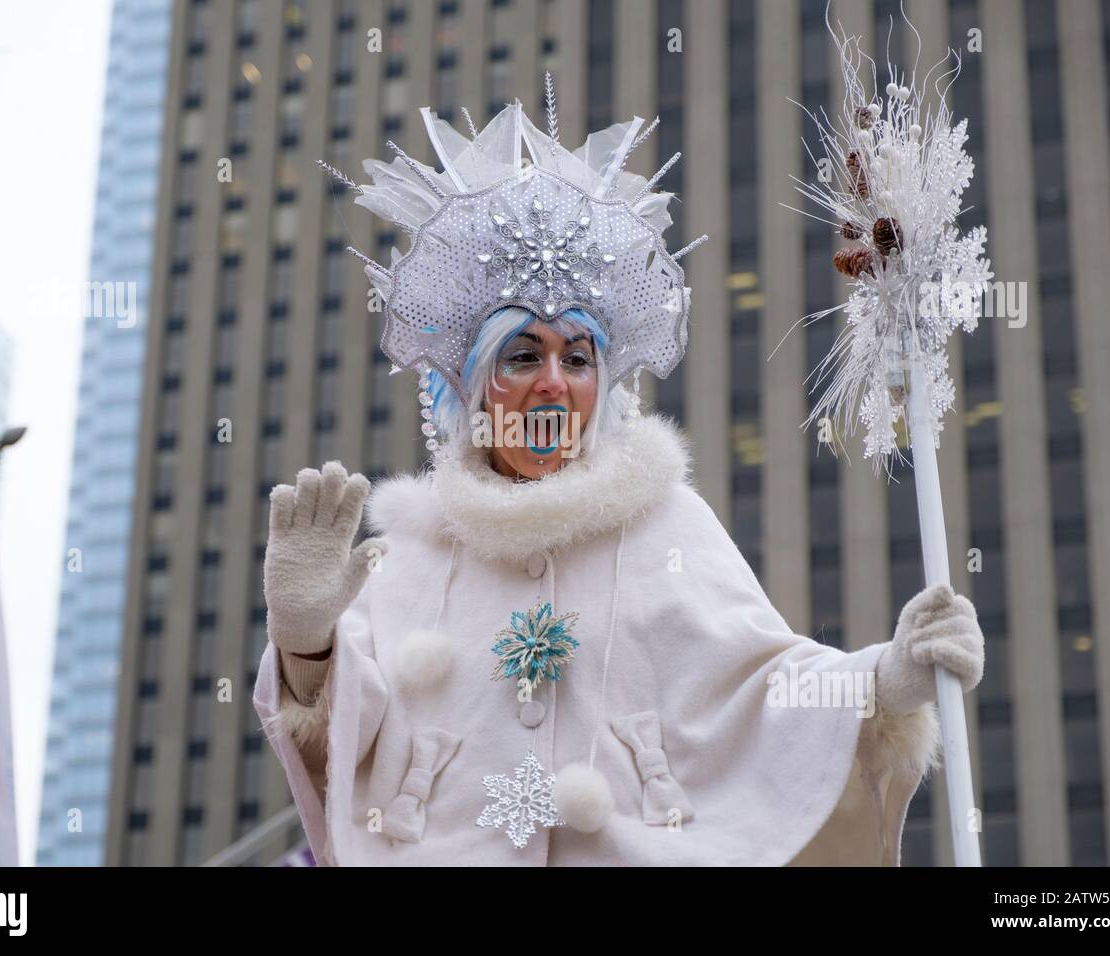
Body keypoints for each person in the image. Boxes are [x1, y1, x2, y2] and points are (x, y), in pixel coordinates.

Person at [253, 83, 983, 866]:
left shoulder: (666, 525)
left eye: (578, 358)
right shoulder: (408, 559)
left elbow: (771, 693)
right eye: (523, 355)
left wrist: (893, 678)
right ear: (471, 384)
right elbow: (340, 760)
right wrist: (306, 646)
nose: (553, 382)